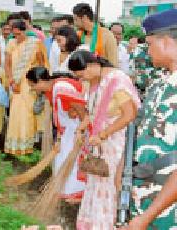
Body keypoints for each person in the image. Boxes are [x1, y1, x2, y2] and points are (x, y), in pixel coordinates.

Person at [68, 50, 140, 229]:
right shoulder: (95, 82)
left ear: (92, 65)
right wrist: (82, 128)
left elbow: (129, 114)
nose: (82, 79)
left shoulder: (116, 80)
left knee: (110, 184)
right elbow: (93, 112)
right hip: (100, 143)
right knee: (97, 181)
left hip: (116, 142)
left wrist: (103, 134)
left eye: (82, 74)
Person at [121, 9, 177, 230]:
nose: (147, 50)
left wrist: (146, 218)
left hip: (168, 214)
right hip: (144, 201)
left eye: (150, 43)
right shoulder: (160, 83)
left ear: (166, 42)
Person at [26, 67, 86, 202]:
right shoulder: (52, 89)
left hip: (75, 130)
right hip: (67, 131)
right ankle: (66, 191)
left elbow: (82, 109)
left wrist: (83, 129)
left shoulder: (61, 89)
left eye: (33, 85)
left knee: (72, 161)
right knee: (62, 158)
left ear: (41, 81)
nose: (33, 89)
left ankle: (75, 193)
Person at [4, 20, 48, 155]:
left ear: (24, 32)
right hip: (16, 84)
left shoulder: (34, 44)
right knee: (15, 114)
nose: (17, 37)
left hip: (30, 83)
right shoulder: (11, 43)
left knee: (27, 114)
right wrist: (11, 80)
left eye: (19, 34)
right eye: (14, 34)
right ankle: (13, 147)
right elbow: (7, 64)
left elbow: (42, 64)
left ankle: (27, 147)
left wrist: (39, 84)